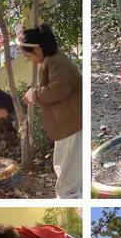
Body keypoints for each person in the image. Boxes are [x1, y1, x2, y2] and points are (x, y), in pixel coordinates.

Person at [18, 24, 82, 199]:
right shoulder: (52, 60)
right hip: (67, 124)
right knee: (66, 165)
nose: (28, 59)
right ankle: (70, 195)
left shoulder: (56, 61)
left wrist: (35, 94)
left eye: (27, 55)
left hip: (71, 124)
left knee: (69, 169)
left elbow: (59, 89)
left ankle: (69, 197)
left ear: (37, 49)